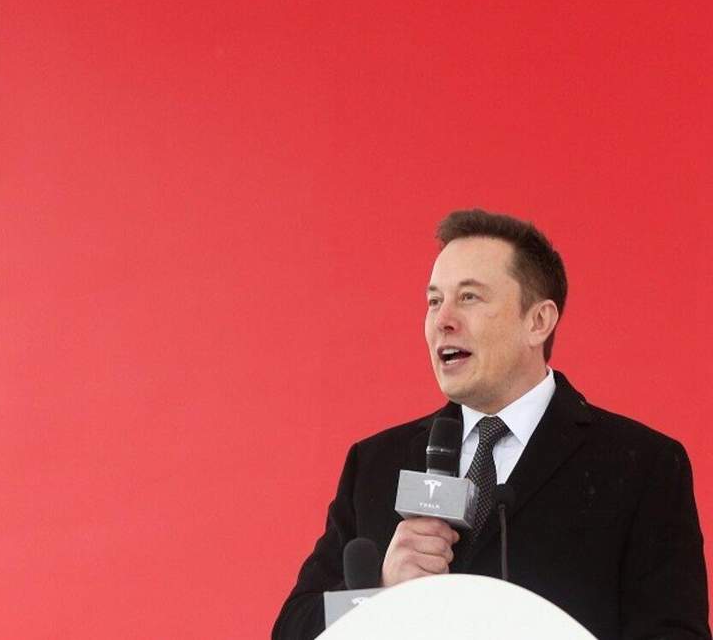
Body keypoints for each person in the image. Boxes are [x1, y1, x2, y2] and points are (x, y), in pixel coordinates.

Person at [272, 209, 709, 639]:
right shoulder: (375, 463)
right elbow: (294, 626)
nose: (443, 320)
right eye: (434, 301)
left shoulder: (642, 466)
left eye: (469, 297)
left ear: (538, 321)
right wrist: (379, 593)